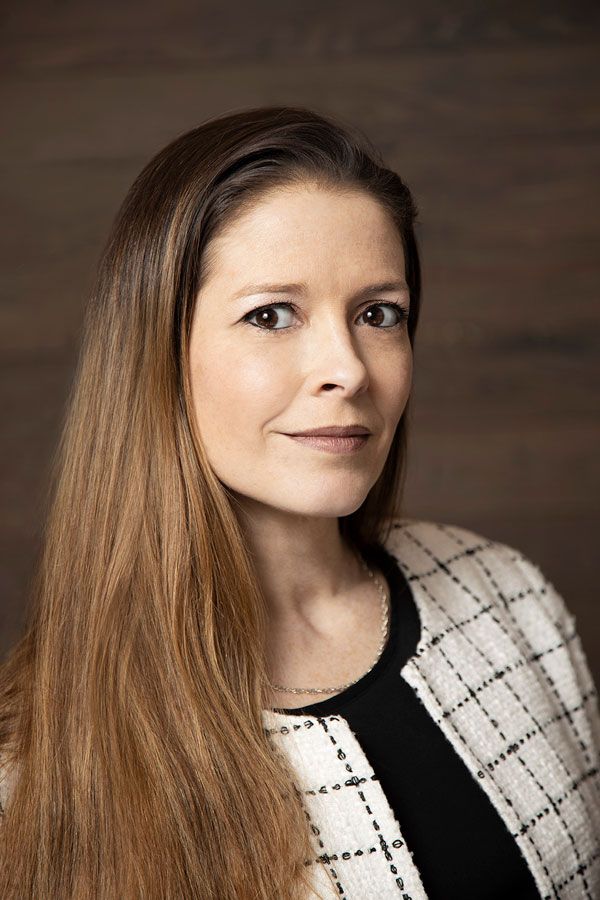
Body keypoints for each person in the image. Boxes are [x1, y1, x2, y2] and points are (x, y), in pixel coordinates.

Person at [0, 105, 597, 900]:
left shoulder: (510, 596)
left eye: (378, 314)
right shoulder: (27, 765)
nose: (347, 368)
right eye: (271, 315)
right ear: (156, 354)